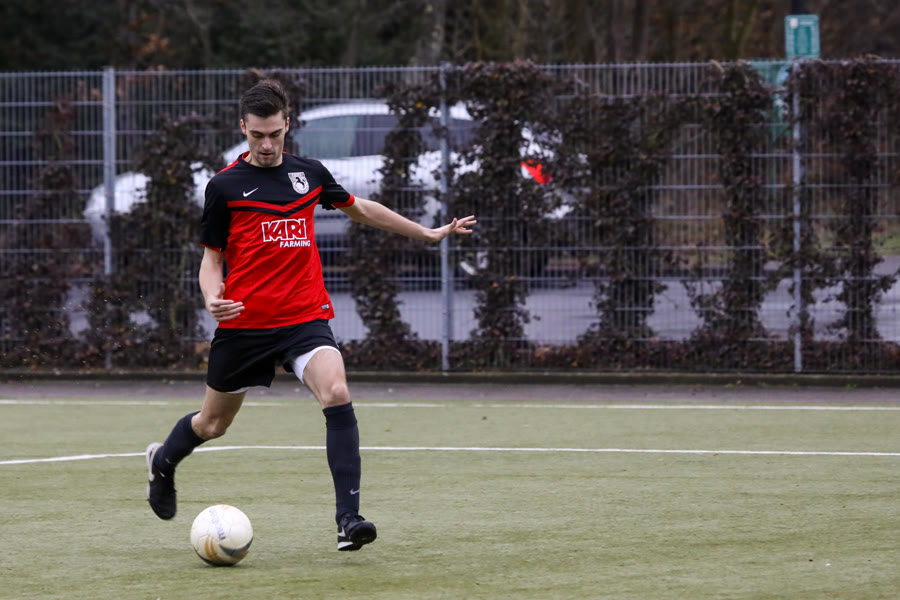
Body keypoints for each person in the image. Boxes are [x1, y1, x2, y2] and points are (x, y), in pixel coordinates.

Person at [146, 79, 476, 552]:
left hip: (303, 316)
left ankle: (348, 519)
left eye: (274, 134)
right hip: (244, 324)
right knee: (213, 425)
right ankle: (163, 462)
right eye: (256, 135)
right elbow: (212, 259)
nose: (266, 145)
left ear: (288, 125)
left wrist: (426, 233)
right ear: (243, 128)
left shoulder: (310, 174)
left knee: (336, 392)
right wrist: (211, 296)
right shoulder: (224, 187)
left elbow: (360, 208)